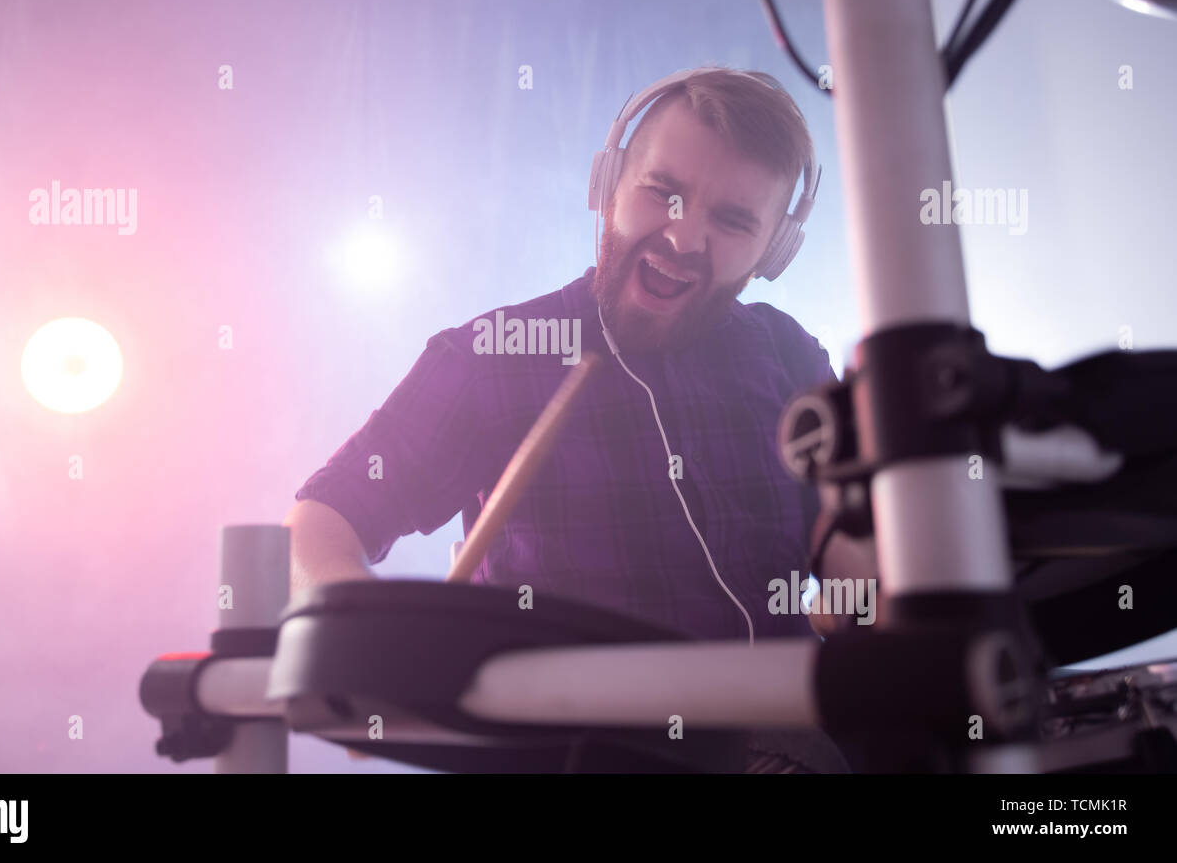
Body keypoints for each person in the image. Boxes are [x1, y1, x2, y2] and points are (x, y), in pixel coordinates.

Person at [286, 66, 854, 771]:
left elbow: (851, 558)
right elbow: (326, 515)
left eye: (733, 220)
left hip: (788, 745)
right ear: (609, 184)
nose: (683, 239)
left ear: (773, 249)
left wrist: (885, 593)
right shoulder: (492, 356)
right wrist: (358, 631)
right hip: (580, 753)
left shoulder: (786, 352)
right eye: (663, 193)